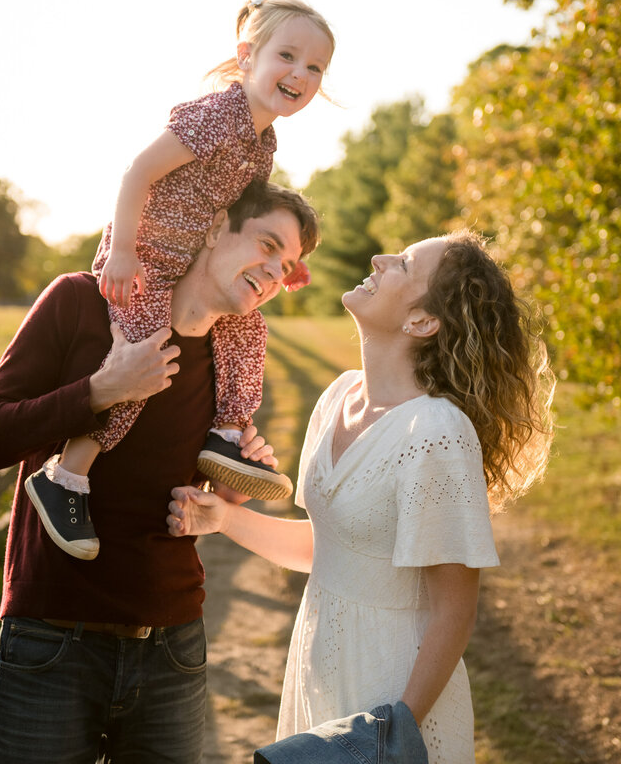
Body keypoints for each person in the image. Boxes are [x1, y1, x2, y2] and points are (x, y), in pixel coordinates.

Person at [0, 179, 320, 764]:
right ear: (214, 224)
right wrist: (100, 390)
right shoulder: (81, 301)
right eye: (268, 245)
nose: (276, 271)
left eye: (289, 264)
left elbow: (192, 494)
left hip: (173, 645)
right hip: (52, 638)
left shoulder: (233, 352)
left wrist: (229, 487)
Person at [167, 231, 556, 763]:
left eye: (402, 264)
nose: (377, 257)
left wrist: (391, 733)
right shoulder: (338, 397)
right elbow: (330, 549)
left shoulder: (436, 430)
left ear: (421, 322)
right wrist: (225, 520)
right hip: (317, 666)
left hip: (390, 695)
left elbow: (454, 610)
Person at [24, 0, 336, 561]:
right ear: (247, 57)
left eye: (315, 67)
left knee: (247, 331)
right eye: (287, 56)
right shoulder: (219, 113)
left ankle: (226, 433)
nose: (301, 74)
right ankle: (67, 475)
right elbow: (138, 172)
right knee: (146, 363)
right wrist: (121, 252)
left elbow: (243, 212)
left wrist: (287, 258)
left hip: (182, 271)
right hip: (142, 266)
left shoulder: (263, 141)